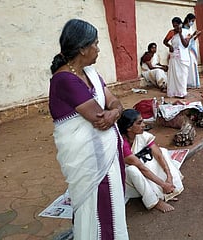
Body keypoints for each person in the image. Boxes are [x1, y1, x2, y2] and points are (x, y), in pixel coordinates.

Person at [49, 19, 128, 239]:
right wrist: (113, 112)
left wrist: (115, 112)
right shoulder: (65, 80)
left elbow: (114, 102)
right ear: (82, 48)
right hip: (91, 163)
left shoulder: (91, 73)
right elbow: (99, 117)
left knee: (111, 208)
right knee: (96, 211)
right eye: (95, 43)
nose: (98, 48)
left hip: (105, 157)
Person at [117, 109, 184, 213]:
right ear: (129, 128)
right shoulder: (122, 144)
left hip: (145, 171)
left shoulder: (142, 135)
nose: (143, 125)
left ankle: (166, 190)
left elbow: (159, 155)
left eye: (142, 121)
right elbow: (141, 168)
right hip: (130, 180)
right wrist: (163, 184)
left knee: (162, 151)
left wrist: (169, 177)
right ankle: (154, 201)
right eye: (139, 123)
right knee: (132, 170)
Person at [163, 17, 191, 98]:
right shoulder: (171, 32)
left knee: (182, 75)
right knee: (174, 75)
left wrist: (180, 34)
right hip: (174, 57)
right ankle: (173, 92)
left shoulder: (186, 32)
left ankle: (181, 93)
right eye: (174, 26)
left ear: (180, 24)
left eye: (177, 25)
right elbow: (164, 41)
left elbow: (185, 45)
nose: (175, 27)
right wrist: (169, 46)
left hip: (183, 58)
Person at [182, 13, 202, 88]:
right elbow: (185, 40)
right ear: (188, 20)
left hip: (192, 48)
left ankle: (194, 82)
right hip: (187, 50)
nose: (192, 23)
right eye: (192, 21)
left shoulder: (190, 28)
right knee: (189, 66)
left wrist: (196, 36)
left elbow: (192, 39)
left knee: (193, 65)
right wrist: (192, 36)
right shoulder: (183, 30)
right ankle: (188, 83)